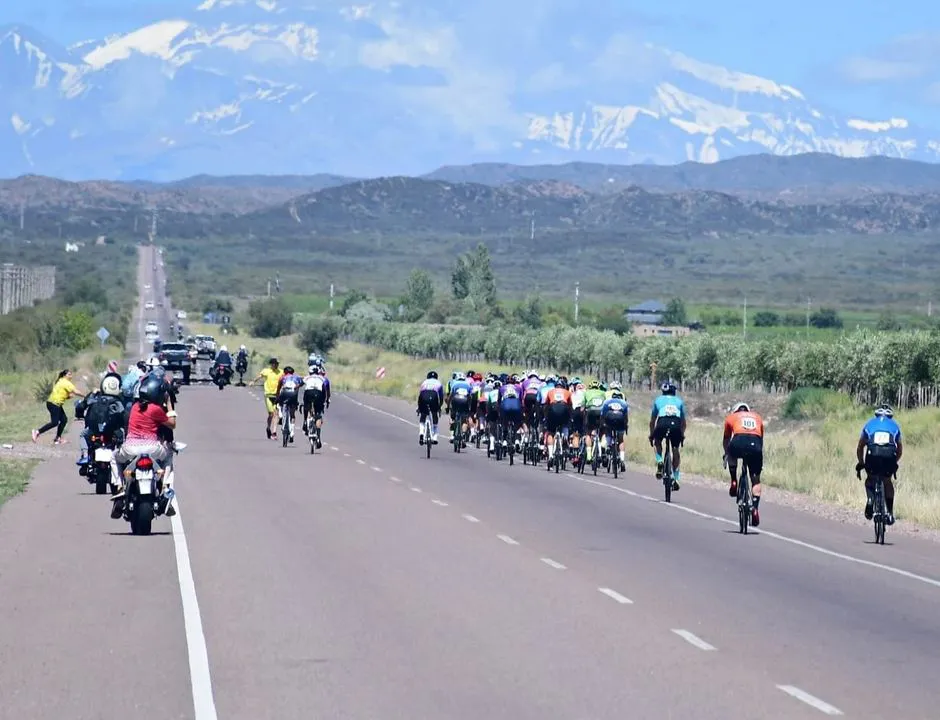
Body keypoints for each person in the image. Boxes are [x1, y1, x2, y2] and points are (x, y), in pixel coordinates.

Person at [112, 373, 177, 519]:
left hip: (130, 448)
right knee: (169, 455)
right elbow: (172, 424)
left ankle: (119, 486)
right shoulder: (156, 409)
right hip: (152, 448)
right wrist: (169, 404)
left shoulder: (135, 407)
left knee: (114, 457)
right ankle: (165, 487)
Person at [856, 404, 901, 526]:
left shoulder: (869, 424)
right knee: (887, 481)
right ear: (890, 416)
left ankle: (870, 499)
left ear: (876, 414)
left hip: (873, 454)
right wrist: (894, 462)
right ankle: (890, 513)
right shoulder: (895, 425)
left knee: (870, 480)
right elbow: (899, 449)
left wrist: (861, 463)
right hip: (889, 455)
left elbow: (860, 446)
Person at [723, 402, 765, 527]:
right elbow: (761, 439)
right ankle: (755, 508)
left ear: (736, 410)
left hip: (738, 441)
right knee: (755, 480)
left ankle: (733, 480)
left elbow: (726, 439)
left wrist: (726, 454)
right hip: (755, 445)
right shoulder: (757, 417)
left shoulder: (731, 417)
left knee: (731, 454)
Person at [77, 372, 126, 468]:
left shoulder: (94, 395)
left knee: (82, 435)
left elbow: (81, 407)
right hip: (114, 431)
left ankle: (85, 455)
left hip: (94, 430)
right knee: (123, 438)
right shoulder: (120, 399)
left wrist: (79, 414)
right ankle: (122, 458)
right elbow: (125, 414)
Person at [649, 380, 685, 492]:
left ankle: (660, 460)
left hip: (662, 422)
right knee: (675, 449)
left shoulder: (658, 400)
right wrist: (682, 435)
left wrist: (651, 435)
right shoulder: (679, 401)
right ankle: (676, 478)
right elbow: (683, 422)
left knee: (657, 441)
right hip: (676, 424)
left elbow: (652, 421)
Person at [33, 369, 85, 445]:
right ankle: (37, 432)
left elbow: (60, 394)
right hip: (54, 404)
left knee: (64, 420)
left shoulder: (60, 381)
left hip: (54, 403)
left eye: (71, 374)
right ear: (64, 375)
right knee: (54, 422)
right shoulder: (65, 382)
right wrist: (85, 396)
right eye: (69, 374)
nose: (71, 376)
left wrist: (68, 396)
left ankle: (57, 438)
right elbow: (76, 391)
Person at [249, 358, 282, 439]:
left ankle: (274, 432)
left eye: (277, 364)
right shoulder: (266, 371)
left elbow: (286, 378)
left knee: (276, 414)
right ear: (271, 364)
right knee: (271, 414)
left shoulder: (281, 372)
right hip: (268, 395)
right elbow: (259, 376)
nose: (276, 365)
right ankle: (268, 427)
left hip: (277, 395)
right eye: (274, 364)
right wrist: (253, 381)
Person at [541, 378, 572, 464]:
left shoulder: (550, 392)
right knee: (565, 424)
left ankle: (551, 455)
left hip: (553, 408)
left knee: (550, 432)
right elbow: (570, 406)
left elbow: (546, 406)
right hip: (564, 408)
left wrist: (546, 417)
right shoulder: (567, 392)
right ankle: (565, 437)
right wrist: (570, 418)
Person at [601, 389, 629, 472]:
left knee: (608, 432)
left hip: (610, 419)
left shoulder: (607, 402)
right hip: (620, 420)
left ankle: (608, 446)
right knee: (621, 440)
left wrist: (603, 424)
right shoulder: (624, 403)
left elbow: (603, 415)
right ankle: (622, 460)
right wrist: (625, 426)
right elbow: (626, 417)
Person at [301, 364, 328, 447]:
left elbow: (301, 383)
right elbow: (326, 389)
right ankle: (318, 437)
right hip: (318, 394)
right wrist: (326, 399)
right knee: (318, 415)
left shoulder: (307, 377)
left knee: (306, 406)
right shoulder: (322, 378)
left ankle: (305, 421)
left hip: (308, 393)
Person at [275, 366, 303, 443]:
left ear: (285, 372)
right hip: (294, 395)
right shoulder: (297, 377)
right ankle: (292, 432)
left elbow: (278, 388)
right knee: (292, 414)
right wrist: (297, 387)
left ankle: (280, 414)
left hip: (285, 392)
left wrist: (277, 397)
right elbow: (302, 382)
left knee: (280, 403)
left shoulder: (283, 377)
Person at [417, 370, 444, 445]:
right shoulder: (439, 383)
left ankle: (421, 433)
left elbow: (420, 395)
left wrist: (419, 407)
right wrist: (439, 407)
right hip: (433, 395)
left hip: (424, 395)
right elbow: (441, 397)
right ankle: (435, 436)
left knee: (423, 415)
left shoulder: (424, 382)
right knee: (434, 414)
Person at [448, 372, 473, 444]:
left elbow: (451, 395)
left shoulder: (454, 384)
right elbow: (470, 396)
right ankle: (464, 434)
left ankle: (452, 435)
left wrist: (448, 406)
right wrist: (469, 406)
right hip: (465, 401)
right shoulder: (468, 384)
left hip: (456, 400)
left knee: (453, 417)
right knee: (464, 420)